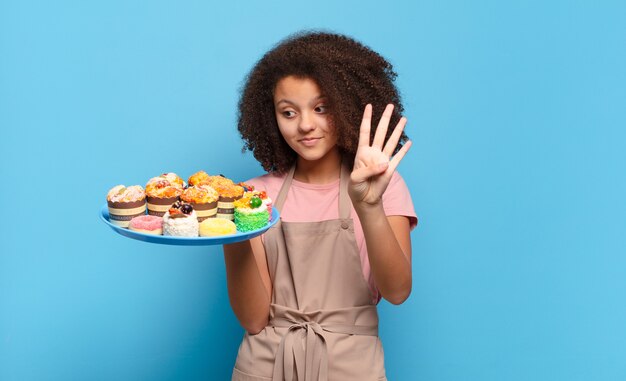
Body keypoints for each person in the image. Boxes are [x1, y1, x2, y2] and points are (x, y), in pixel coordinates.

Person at [223, 31, 418, 381]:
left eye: (321, 107)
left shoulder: (383, 186)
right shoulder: (252, 197)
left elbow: (398, 291)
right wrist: (232, 227)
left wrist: (369, 206)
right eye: (288, 112)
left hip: (352, 366)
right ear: (271, 118)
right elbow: (254, 319)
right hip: (266, 365)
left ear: (347, 107)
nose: (306, 125)